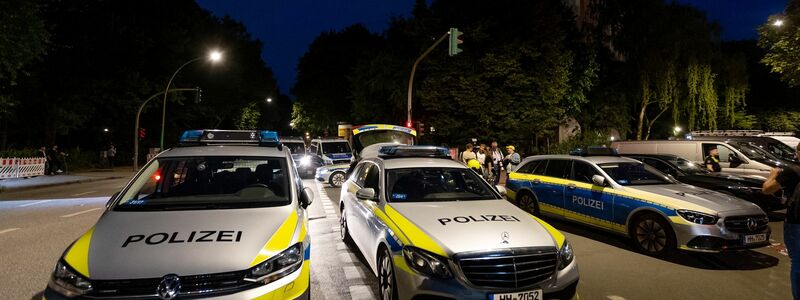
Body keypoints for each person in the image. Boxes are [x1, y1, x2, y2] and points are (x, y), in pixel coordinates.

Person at [763, 143, 800, 299]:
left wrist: (772, 174)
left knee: (798, 264)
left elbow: (767, 189)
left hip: (797, 222)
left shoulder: (792, 170)